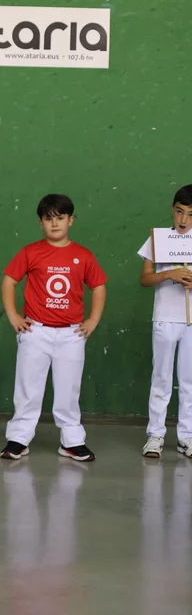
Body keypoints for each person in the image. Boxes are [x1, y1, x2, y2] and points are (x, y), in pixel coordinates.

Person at [0, 194, 107, 462]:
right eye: (48, 219)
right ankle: (18, 439)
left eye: (60, 218)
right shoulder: (30, 252)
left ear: (71, 220)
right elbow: (9, 280)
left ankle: (72, 441)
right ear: (40, 223)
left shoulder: (83, 255)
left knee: (68, 391)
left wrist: (93, 320)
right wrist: (13, 316)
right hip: (35, 332)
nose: (55, 223)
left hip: (72, 334)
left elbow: (98, 286)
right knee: (28, 388)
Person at [138, 185, 192, 458]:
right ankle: (156, 435)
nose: (184, 219)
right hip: (164, 319)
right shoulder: (157, 240)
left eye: (191, 215)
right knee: (161, 378)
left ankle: (187, 436)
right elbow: (145, 278)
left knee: (189, 381)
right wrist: (169, 274)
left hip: (191, 323)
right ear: (172, 209)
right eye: (180, 212)